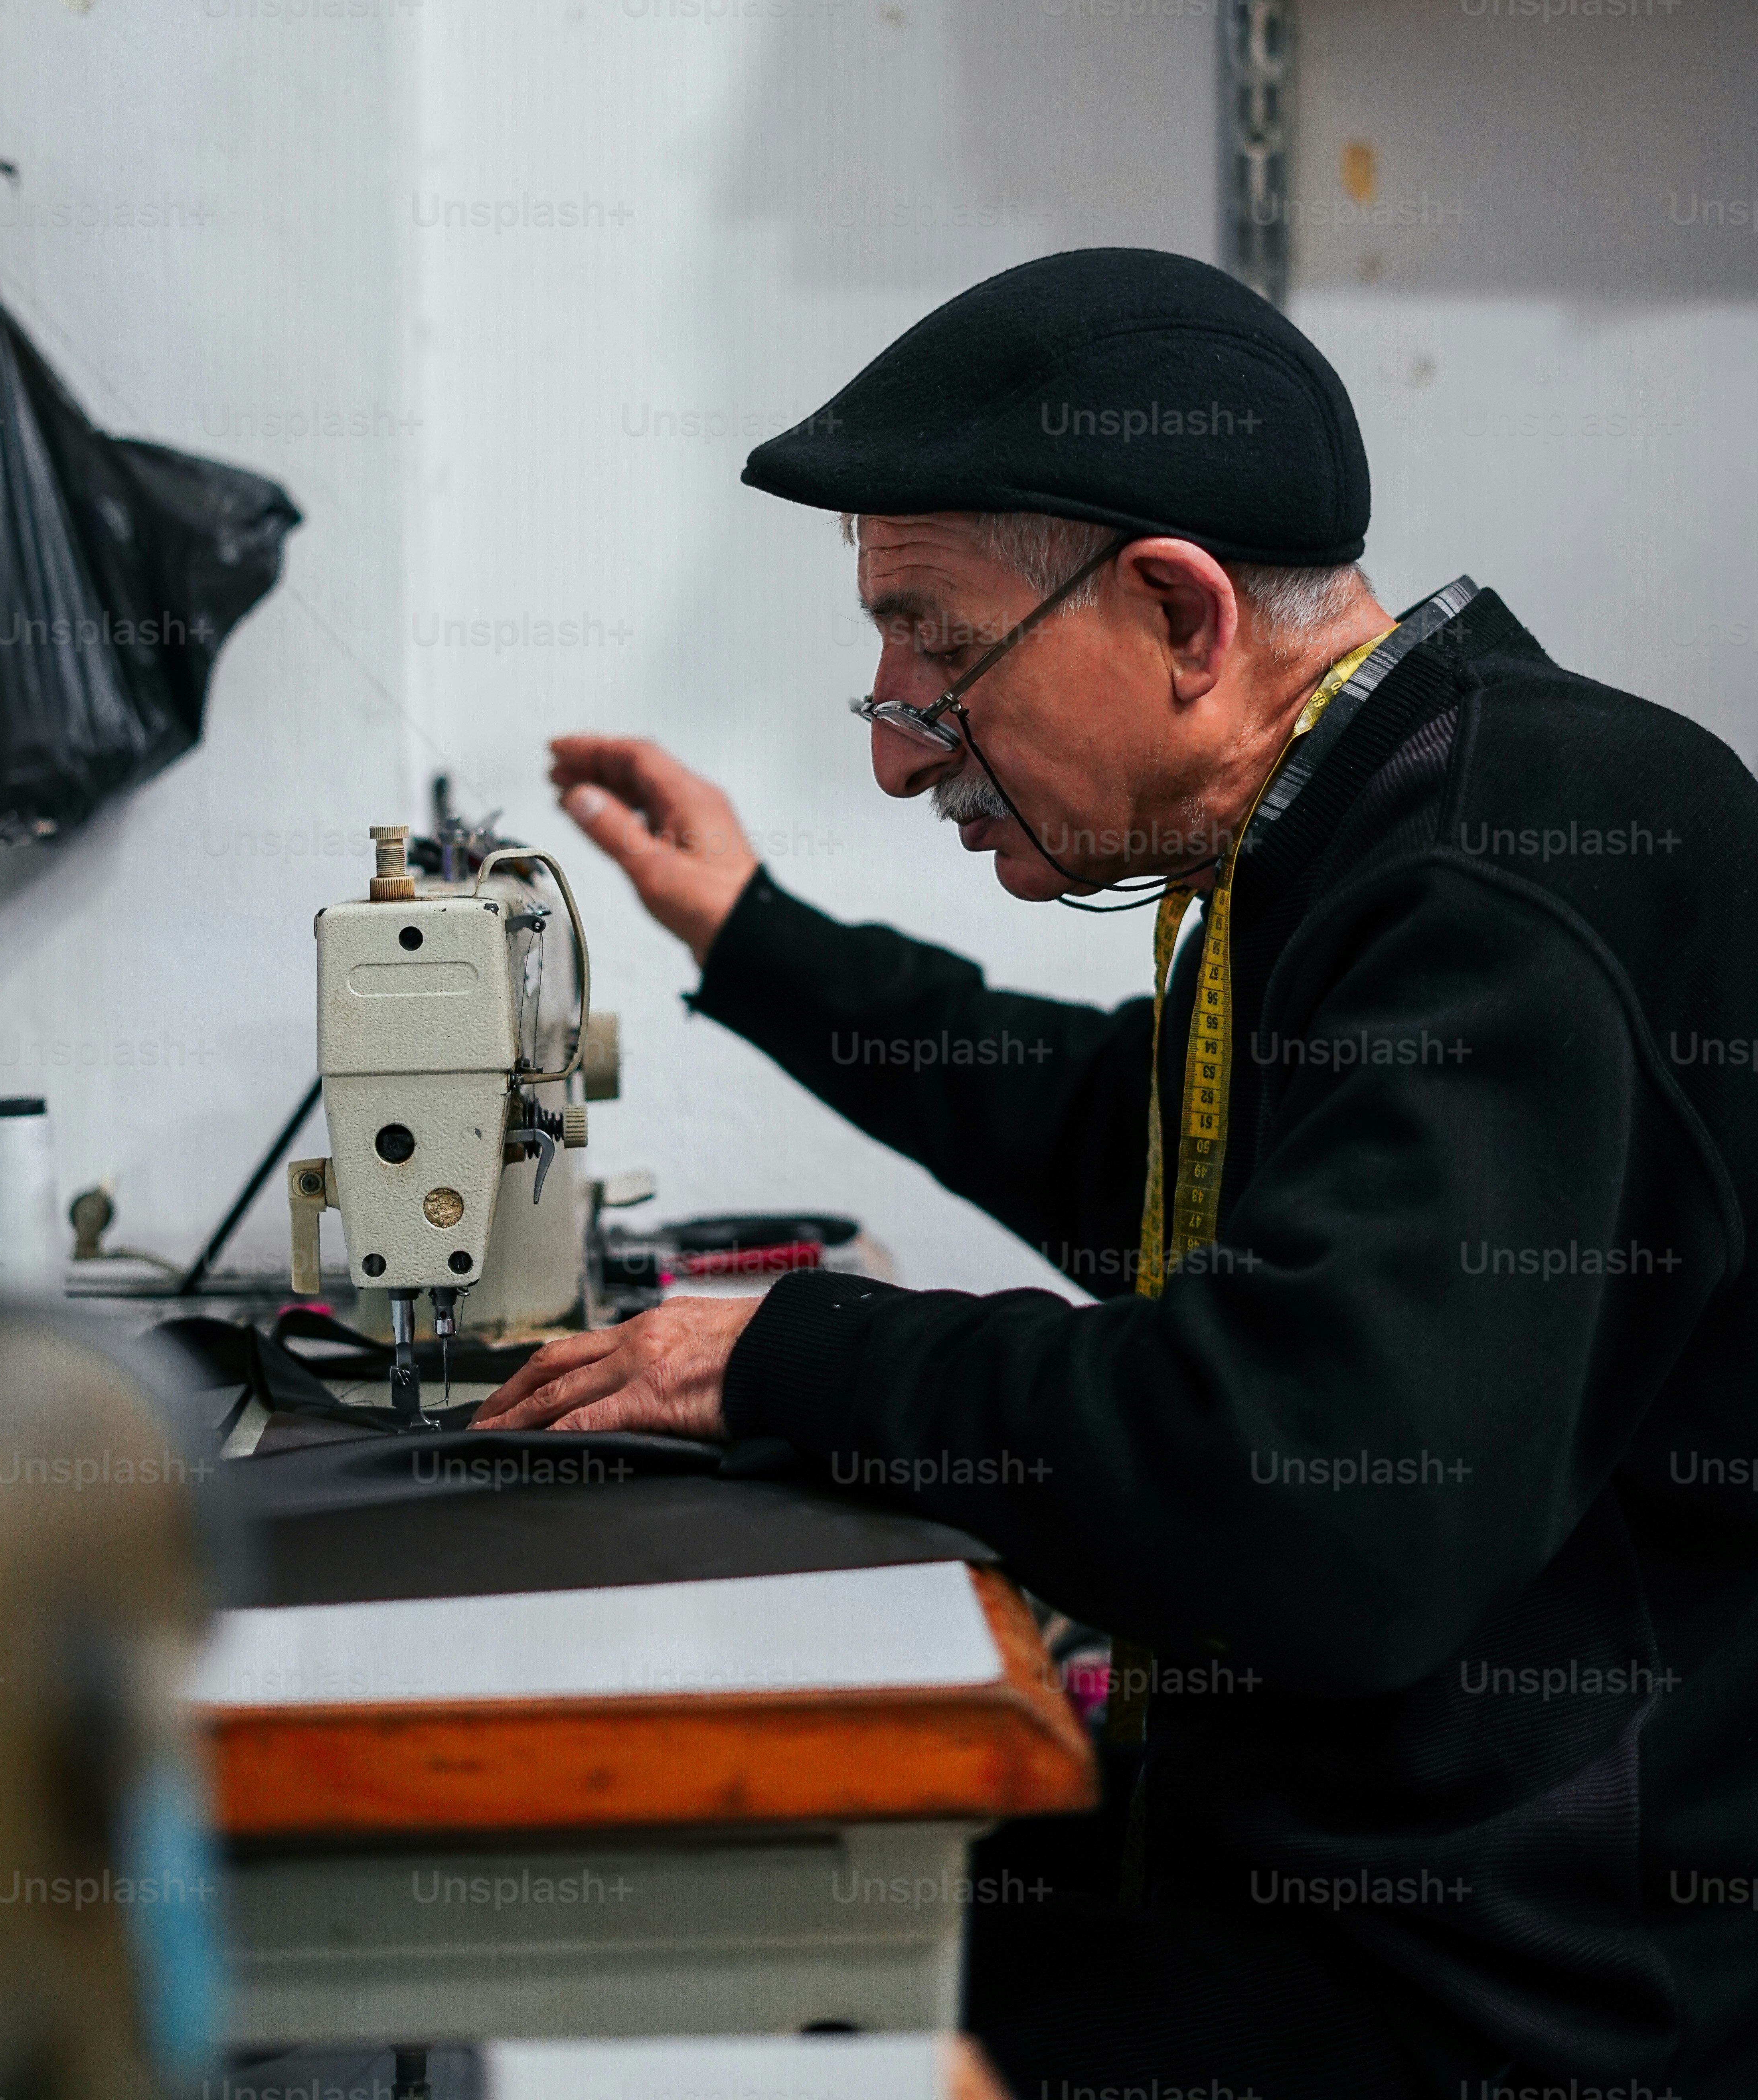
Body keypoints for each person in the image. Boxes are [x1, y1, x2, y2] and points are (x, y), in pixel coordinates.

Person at [476, 248, 1758, 2100]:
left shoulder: (1508, 877)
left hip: (1511, 2007)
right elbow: (1136, 1138)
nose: (899, 736)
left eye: (936, 643)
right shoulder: (1388, 814)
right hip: (1334, 1885)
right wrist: (753, 936)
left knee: (702, 2006)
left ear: (1177, 612)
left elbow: (1309, 1480)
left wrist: (792, 1355)